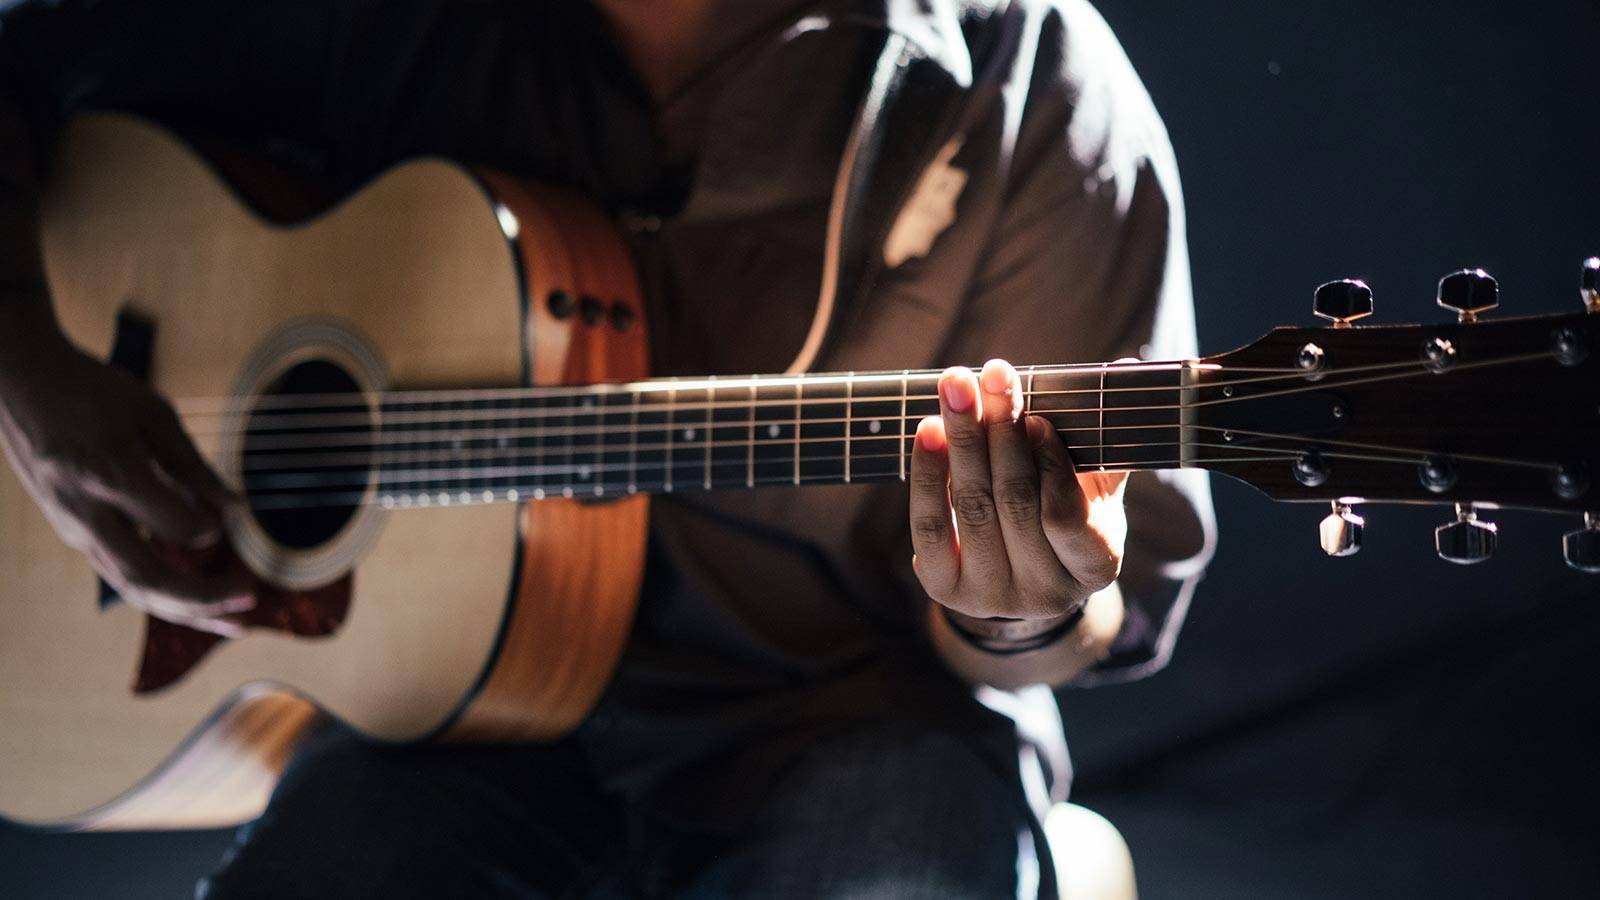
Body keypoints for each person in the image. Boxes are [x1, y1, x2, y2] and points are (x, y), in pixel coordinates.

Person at [0, 0, 1214, 896]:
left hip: (849, 718)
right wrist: (32, 376)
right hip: (445, 730)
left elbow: (1087, 620)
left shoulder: (1034, 80)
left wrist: (1021, 606)